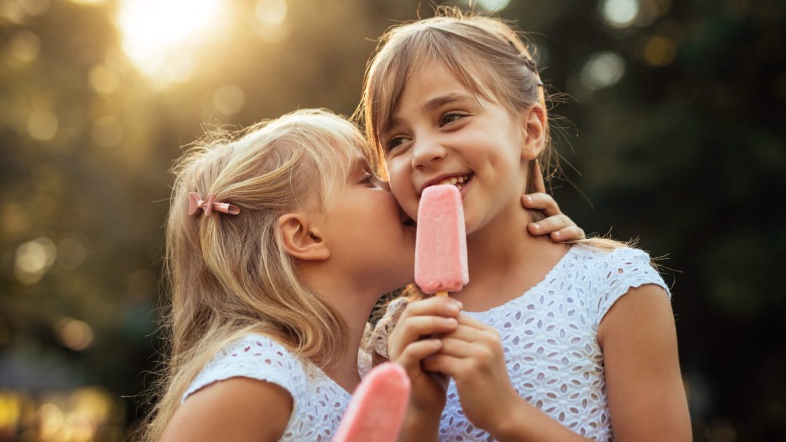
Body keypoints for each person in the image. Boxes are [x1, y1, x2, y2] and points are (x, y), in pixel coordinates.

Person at [139, 109, 583, 442]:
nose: (394, 187)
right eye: (366, 179)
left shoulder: (378, 363)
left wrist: (536, 250)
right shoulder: (259, 373)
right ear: (305, 236)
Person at [359, 8, 692, 441]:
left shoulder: (614, 288)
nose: (422, 152)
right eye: (397, 141)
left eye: (451, 117)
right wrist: (419, 414)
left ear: (530, 130)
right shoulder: (398, 331)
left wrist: (508, 416)